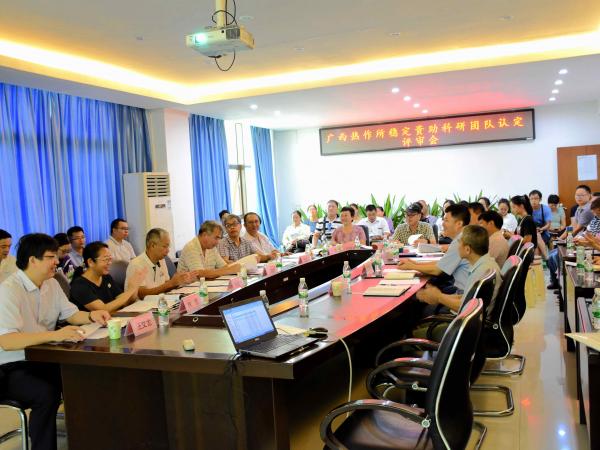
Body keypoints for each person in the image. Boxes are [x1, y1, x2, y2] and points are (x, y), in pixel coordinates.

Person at [0, 233, 110, 450]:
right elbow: (8, 341)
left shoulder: (51, 283)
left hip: (42, 357)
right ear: (33, 260)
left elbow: (71, 314)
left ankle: (90, 439)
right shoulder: (8, 291)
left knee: (83, 375)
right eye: (51, 257)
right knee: (46, 393)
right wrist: (55, 335)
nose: (57, 262)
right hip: (10, 367)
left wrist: (91, 316)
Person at [413, 225, 501, 340]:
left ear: (467, 249)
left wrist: (439, 297)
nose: (456, 246)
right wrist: (439, 295)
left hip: (467, 330)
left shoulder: (481, 272)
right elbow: (466, 298)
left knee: (413, 334)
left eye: (459, 243)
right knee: (419, 325)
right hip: (471, 323)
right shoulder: (485, 264)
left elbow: (465, 308)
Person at [397, 204, 471, 293]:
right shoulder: (462, 238)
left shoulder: (460, 242)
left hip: (462, 293)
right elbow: (441, 263)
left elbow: (437, 270)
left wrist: (411, 266)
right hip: (461, 288)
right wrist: (415, 263)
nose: (442, 223)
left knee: (418, 293)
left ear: (459, 224)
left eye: (446, 220)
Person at [70, 242, 144, 312]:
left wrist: (135, 286)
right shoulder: (79, 285)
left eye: (110, 259)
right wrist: (131, 290)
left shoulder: (106, 277)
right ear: (90, 262)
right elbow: (103, 309)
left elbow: (124, 302)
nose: (110, 263)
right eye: (106, 259)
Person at [125, 228, 194, 299]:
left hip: (159, 301)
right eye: (164, 246)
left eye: (168, 247)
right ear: (152, 245)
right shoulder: (136, 264)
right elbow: (142, 294)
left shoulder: (161, 260)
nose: (168, 250)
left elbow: (165, 286)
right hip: (142, 304)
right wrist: (171, 283)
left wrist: (178, 282)